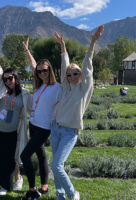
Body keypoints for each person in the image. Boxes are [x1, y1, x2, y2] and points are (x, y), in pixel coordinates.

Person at [52, 25, 104, 200]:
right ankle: (60, 196)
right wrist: (62, 45)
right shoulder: (66, 86)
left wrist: (92, 42)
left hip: (70, 132)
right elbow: (64, 62)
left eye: (76, 73)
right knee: (54, 165)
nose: (72, 76)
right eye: (69, 74)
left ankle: (73, 194)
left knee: (57, 166)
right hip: (56, 129)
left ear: (80, 74)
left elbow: (88, 65)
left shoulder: (84, 88)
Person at [0, 41, 32, 195]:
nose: (8, 81)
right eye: (5, 79)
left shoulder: (24, 94)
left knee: (9, 159)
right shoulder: (2, 88)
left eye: (10, 78)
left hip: (11, 132)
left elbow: (31, 109)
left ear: (16, 77)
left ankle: (6, 185)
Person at [20, 37, 62, 200]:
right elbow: (33, 65)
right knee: (41, 155)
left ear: (50, 70)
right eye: (39, 71)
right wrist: (27, 51)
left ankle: (33, 190)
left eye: (44, 70)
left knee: (25, 155)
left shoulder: (56, 87)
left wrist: (62, 47)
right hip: (33, 124)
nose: (41, 73)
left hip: (44, 127)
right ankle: (44, 186)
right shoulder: (38, 85)